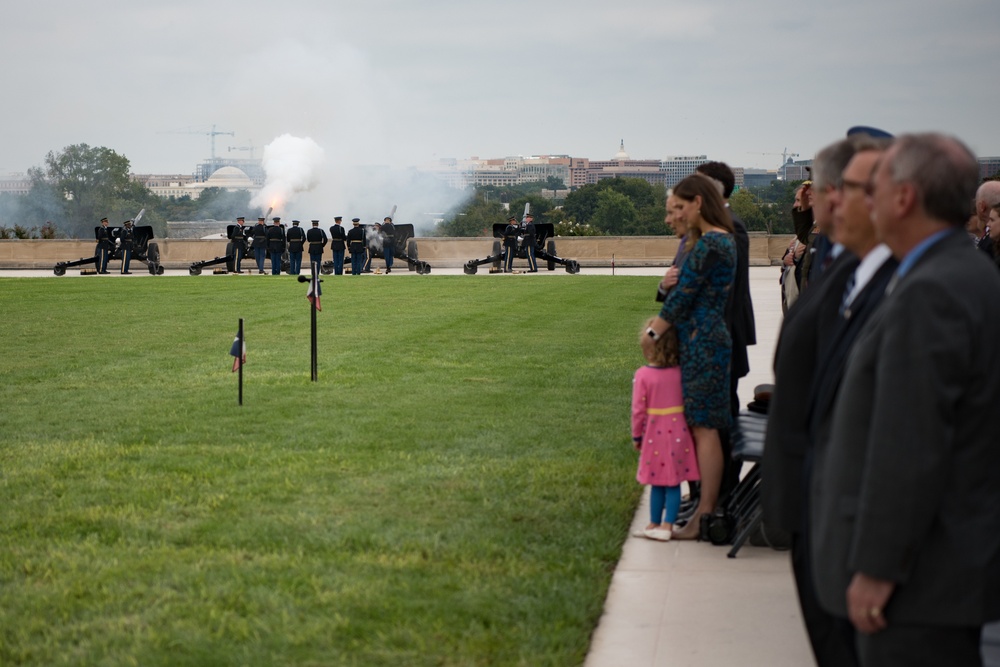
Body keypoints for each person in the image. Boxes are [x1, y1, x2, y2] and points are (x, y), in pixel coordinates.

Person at [810, 133, 1000, 666]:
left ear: (905, 197)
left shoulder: (931, 291)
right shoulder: (956, 271)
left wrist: (877, 569)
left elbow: (911, 446)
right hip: (935, 578)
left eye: (876, 186)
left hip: (918, 589)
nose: (863, 201)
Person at [761, 134, 893, 667]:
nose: (823, 201)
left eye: (836, 189)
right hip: (815, 508)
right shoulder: (847, 264)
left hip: (840, 518)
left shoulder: (898, 281)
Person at [641, 174, 735, 540]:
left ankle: (703, 515)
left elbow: (684, 296)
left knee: (704, 428)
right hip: (706, 339)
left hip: (703, 342)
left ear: (698, 203)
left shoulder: (711, 244)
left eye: (679, 208)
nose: (675, 216)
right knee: (702, 426)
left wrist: (653, 333)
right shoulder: (715, 241)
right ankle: (702, 512)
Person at [695, 161, 757, 499]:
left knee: (721, 416)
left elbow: (729, 291)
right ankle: (709, 491)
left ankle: (722, 495)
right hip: (713, 336)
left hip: (722, 337)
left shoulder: (732, 227)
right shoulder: (713, 224)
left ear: (716, 189)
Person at [631, 318, 699, 542]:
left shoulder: (643, 375)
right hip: (679, 432)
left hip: (653, 433)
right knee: (673, 480)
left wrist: (636, 435)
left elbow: (638, 410)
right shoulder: (681, 373)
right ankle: (667, 525)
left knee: (656, 480)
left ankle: (654, 522)